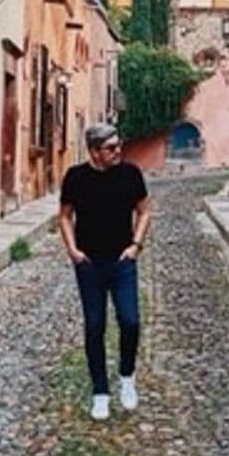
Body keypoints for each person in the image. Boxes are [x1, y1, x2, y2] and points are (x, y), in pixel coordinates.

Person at [58, 123, 152, 421]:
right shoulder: (76, 177)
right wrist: (73, 251)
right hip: (90, 264)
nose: (118, 152)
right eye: (111, 148)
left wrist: (136, 245)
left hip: (122, 261)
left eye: (118, 145)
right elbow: (64, 216)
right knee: (94, 326)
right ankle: (100, 392)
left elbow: (144, 210)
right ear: (95, 152)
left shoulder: (130, 175)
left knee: (131, 321)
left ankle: (127, 376)